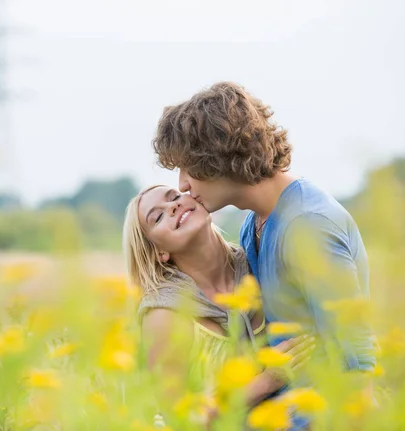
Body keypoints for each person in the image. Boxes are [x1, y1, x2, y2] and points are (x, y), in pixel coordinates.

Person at [151, 81, 376, 375]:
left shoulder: (308, 225)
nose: (182, 185)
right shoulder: (253, 224)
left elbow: (356, 359)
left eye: (187, 166)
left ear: (218, 156)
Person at [123, 184, 314, 429]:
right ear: (159, 252)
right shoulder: (164, 313)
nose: (173, 206)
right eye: (158, 216)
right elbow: (179, 418)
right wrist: (267, 381)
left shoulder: (257, 262)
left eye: (174, 197)